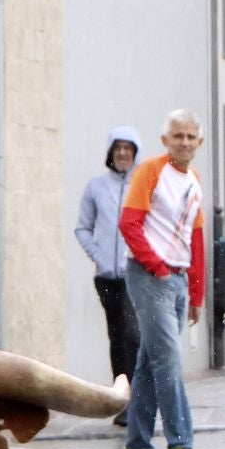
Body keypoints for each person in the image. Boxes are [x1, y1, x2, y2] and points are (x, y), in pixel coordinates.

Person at [117, 109, 207, 449]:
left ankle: (137, 446)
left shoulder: (194, 179)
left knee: (151, 364)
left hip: (178, 279)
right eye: (178, 136)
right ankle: (180, 443)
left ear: (199, 142)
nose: (184, 143)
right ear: (165, 140)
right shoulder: (151, 170)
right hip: (149, 276)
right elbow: (130, 223)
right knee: (167, 360)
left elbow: (195, 238)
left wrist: (197, 292)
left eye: (190, 137)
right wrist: (155, 266)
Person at [76, 126, 142, 425]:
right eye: (119, 148)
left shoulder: (143, 186)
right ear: (111, 153)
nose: (123, 153)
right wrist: (100, 257)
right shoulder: (96, 187)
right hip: (106, 276)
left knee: (133, 334)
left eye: (129, 148)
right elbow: (82, 228)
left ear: (135, 152)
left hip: (135, 274)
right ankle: (122, 400)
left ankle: (139, 400)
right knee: (116, 337)